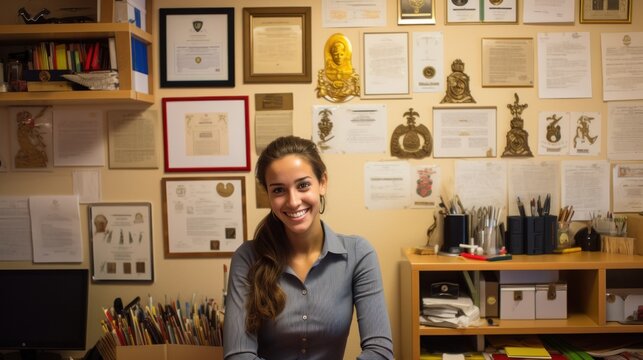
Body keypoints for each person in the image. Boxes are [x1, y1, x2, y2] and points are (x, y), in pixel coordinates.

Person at [223, 136, 393, 360]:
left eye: (303, 185)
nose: (293, 201)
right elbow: (238, 356)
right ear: (268, 196)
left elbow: (380, 352)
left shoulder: (358, 254)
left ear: (322, 183)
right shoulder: (247, 258)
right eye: (278, 190)